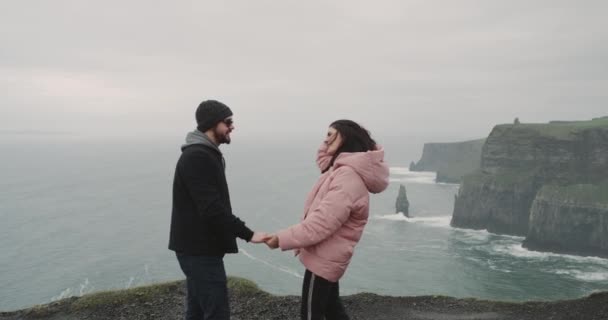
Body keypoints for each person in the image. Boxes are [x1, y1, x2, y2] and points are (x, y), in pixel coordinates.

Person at [265, 120, 389, 320]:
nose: (325, 139)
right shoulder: (340, 169)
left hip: (324, 256)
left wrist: (281, 238)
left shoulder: (347, 177)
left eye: (331, 134)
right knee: (332, 310)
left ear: (346, 139)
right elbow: (323, 159)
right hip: (328, 255)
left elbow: (320, 224)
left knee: (311, 315)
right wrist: (335, 140)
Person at [169, 99, 268, 320]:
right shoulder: (197, 156)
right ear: (212, 123)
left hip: (197, 248)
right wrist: (248, 234)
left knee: (197, 312)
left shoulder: (205, 153)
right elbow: (212, 209)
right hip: (198, 252)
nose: (232, 126)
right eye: (228, 121)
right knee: (217, 313)